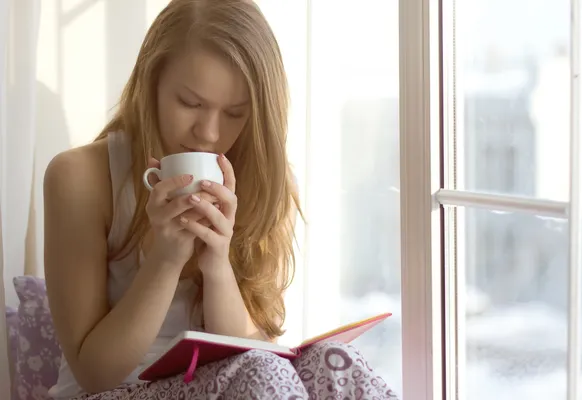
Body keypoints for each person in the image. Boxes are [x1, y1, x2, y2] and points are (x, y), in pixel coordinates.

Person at [43, 0, 399, 398]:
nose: (209, 133)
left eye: (235, 113)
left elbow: (249, 350)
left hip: (223, 385)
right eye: (191, 103)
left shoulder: (264, 182)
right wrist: (166, 259)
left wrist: (216, 263)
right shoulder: (80, 178)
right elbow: (95, 375)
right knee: (261, 370)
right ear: (151, 82)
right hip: (112, 391)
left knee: (336, 361)